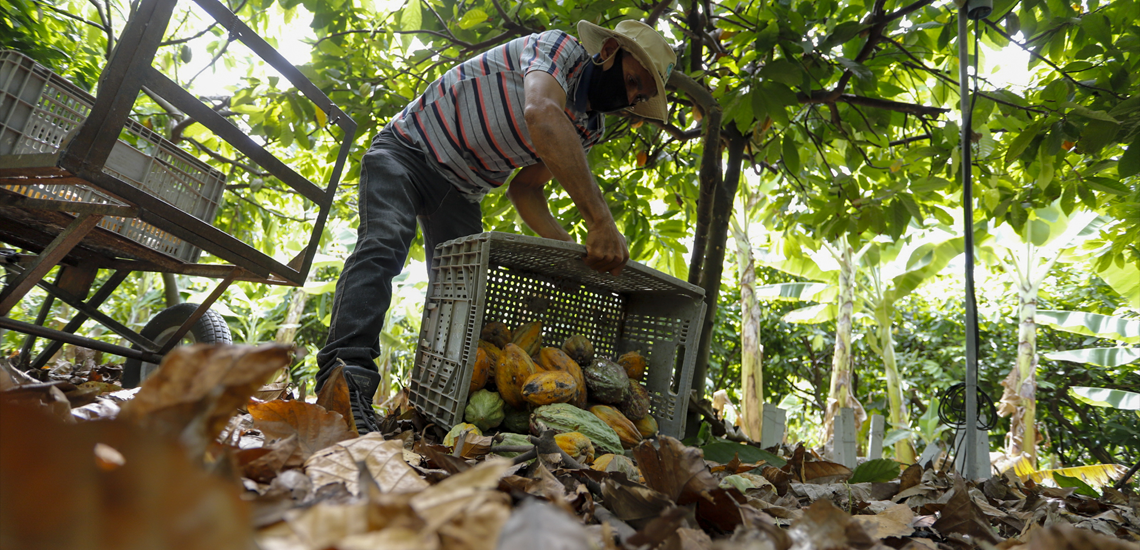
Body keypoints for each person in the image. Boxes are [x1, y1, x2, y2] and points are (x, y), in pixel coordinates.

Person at [316, 20, 677, 434]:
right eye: (632, 81)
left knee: (461, 296)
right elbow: (541, 113)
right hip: (408, 149)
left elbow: (525, 191)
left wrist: (567, 253)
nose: (630, 96)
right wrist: (601, 221)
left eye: (640, 95)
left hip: (461, 190)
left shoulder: (588, 127)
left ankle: (437, 406)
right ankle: (345, 386)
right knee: (384, 244)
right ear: (610, 49)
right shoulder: (559, 50)